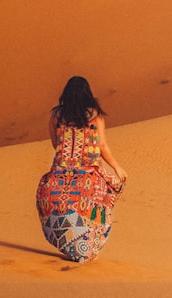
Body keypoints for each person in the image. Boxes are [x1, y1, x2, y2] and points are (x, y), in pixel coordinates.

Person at [35, 75, 128, 262]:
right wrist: (117, 168)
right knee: (103, 197)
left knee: (52, 202)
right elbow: (102, 146)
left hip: (60, 171)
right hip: (89, 172)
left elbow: (55, 143)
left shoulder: (56, 116)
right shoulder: (95, 115)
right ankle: (87, 248)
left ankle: (72, 246)